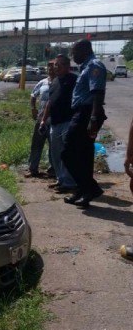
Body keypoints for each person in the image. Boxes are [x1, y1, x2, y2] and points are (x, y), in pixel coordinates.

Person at [62, 39, 107, 208]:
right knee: (83, 155)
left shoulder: (94, 65)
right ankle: (83, 191)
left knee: (67, 152)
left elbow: (97, 93)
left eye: (74, 53)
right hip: (84, 113)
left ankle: (91, 188)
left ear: (84, 50)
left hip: (87, 113)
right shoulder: (86, 66)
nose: (73, 57)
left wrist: (93, 119)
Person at [40, 56, 78, 193]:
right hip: (54, 123)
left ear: (68, 66)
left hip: (68, 122)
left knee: (66, 153)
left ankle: (69, 183)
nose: (57, 67)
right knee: (55, 153)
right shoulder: (55, 81)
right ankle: (60, 179)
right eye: (56, 65)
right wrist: (44, 119)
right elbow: (50, 102)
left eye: (61, 65)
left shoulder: (74, 80)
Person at [26, 60, 55, 178]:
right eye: (49, 67)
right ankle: (33, 168)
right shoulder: (42, 83)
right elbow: (33, 96)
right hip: (41, 119)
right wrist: (33, 109)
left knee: (54, 146)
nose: (50, 69)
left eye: (53, 67)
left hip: (55, 120)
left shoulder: (60, 82)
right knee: (36, 144)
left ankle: (53, 169)